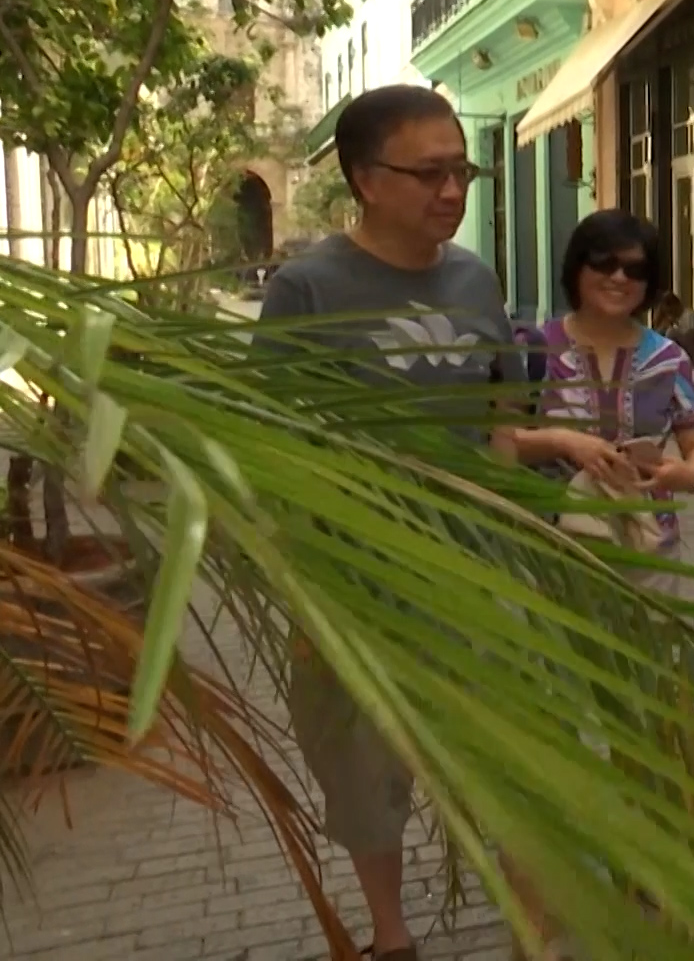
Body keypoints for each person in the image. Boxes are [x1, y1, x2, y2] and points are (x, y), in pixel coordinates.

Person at [259, 84, 527, 961]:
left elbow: (500, 407)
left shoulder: (477, 277)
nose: (453, 191)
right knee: (367, 767)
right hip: (356, 579)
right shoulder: (306, 289)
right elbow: (272, 444)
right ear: (366, 178)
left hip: (476, 571)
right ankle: (391, 933)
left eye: (464, 170)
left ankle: (536, 926)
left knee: (509, 755)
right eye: (430, 173)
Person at [516, 209, 694, 590]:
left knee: (647, 650)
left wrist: (688, 474)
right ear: (577, 268)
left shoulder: (669, 360)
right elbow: (499, 443)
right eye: (603, 264)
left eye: (635, 269)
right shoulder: (532, 350)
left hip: (648, 551)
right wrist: (562, 441)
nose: (619, 278)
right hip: (552, 549)